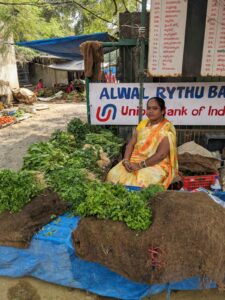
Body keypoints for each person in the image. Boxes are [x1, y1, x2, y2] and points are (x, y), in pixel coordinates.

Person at [106, 97, 178, 189]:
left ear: (163, 111)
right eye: (148, 108)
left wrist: (140, 165)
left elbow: (161, 154)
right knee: (113, 175)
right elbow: (131, 144)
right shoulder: (143, 124)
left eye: (155, 108)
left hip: (156, 165)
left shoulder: (166, 129)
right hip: (134, 161)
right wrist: (126, 161)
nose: (150, 111)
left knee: (141, 180)